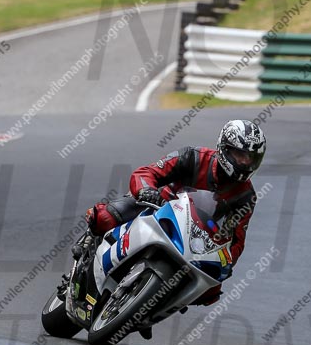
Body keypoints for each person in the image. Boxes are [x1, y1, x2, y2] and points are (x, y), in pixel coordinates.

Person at [86, 119, 266, 324]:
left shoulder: (246, 196)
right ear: (224, 148)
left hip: (195, 238)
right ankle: (88, 246)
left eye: (250, 157)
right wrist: (147, 190)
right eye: (239, 154)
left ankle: (151, 309)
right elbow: (148, 172)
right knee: (105, 217)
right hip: (156, 206)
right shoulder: (193, 157)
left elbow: (237, 240)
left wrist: (226, 260)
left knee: (211, 289)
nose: (245, 162)